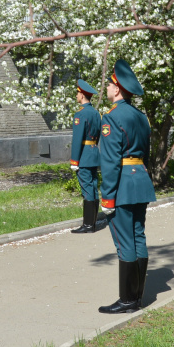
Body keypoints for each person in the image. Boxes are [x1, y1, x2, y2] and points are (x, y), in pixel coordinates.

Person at [98, 59, 157, 313]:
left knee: (124, 241)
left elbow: (110, 162)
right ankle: (138, 297)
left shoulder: (112, 117)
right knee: (138, 235)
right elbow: (147, 152)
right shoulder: (141, 117)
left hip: (122, 183)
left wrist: (106, 197)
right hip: (140, 180)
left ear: (118, 88)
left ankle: (127, 300)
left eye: (110, 84)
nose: (108, 89)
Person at [69, 78, 103, 234]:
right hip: (94, 153)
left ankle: (88, 225)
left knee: (87, 189)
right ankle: (93, 223)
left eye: (77, 93)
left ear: (82, 95)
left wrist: (74, 160)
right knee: (94, 187)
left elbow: (77, 140)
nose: (76, 96)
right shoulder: (96, 113)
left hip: (83, 156)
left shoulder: (80, 114)